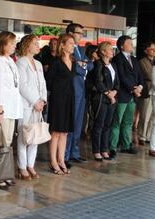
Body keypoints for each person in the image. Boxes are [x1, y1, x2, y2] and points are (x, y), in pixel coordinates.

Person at [0, 31, 23, 189]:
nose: (14, 45)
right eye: (11, 43)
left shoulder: (10, 60)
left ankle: (4, 173)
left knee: (7, 142)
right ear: (2, 44)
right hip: (2, 108)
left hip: (12, 107)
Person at [16, 34, 47, 180]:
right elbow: (22, 85)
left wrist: (43, 100)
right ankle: (22, 166)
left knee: (35, 135)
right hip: (26, 105)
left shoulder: (38, 63)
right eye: (35, 43)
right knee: (24, 136)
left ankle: (30, 165)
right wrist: (35, 101)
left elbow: (43, 84)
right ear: (27, 45)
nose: (37, 46)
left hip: (37, 105)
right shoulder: (21, 62)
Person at [110, 35, 144, 158]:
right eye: (129, 43)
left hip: (132, 96)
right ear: (122, 45)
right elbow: (121, 77)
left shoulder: (134, 59)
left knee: (128, 122)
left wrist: (140, 86)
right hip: (122, 95)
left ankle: (126, 145)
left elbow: (140, 75)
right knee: (116, 122)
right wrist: (133, 89)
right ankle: (112, 147)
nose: (132, 45)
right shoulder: (117, 59)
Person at [65, 23, 94, 167]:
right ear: (70, 33)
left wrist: (83, 65)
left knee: (78, 124)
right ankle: (65, 155)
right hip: (72, 90)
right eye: (79, 33)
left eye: (83, 33)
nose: (81, 36)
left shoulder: (80, 49)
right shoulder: (66, 49)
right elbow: (75, 67)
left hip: (81, 90)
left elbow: (90, 65)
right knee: (70, 123)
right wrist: (83, 66)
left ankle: (74, 152)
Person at [46, 33, 75, 175]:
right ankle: (53, 161)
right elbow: (49, 82)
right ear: (62, 45)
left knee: (64, 132)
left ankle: (61, 160)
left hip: (69, 98)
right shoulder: (56, 62)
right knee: (56, 132)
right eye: (70, 43)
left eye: (73, 43)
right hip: (58, 99)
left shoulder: (73, 61)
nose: (73, 45)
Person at [90, 41, 119, 161]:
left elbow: (117, 81)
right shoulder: (98, 64)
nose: (112, 51)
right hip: (101, 98)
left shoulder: (113, 65)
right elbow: (98, 81)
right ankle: (96, 151)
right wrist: (108, 94)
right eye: (110, 49)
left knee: (107, 125)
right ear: (103, 52)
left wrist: (115, 92)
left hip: (111, 98)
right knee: (99, 125)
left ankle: (104, 149)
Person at [137, 42, 155, 145]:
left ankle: (148, 135)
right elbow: (149, 75)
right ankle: (142, 136)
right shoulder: (142, 61)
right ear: (146, 51)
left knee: (153, 115)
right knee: (145, 115)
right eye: (151, 49)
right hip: (147, 90)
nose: (154, 50)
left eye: (154, 49)